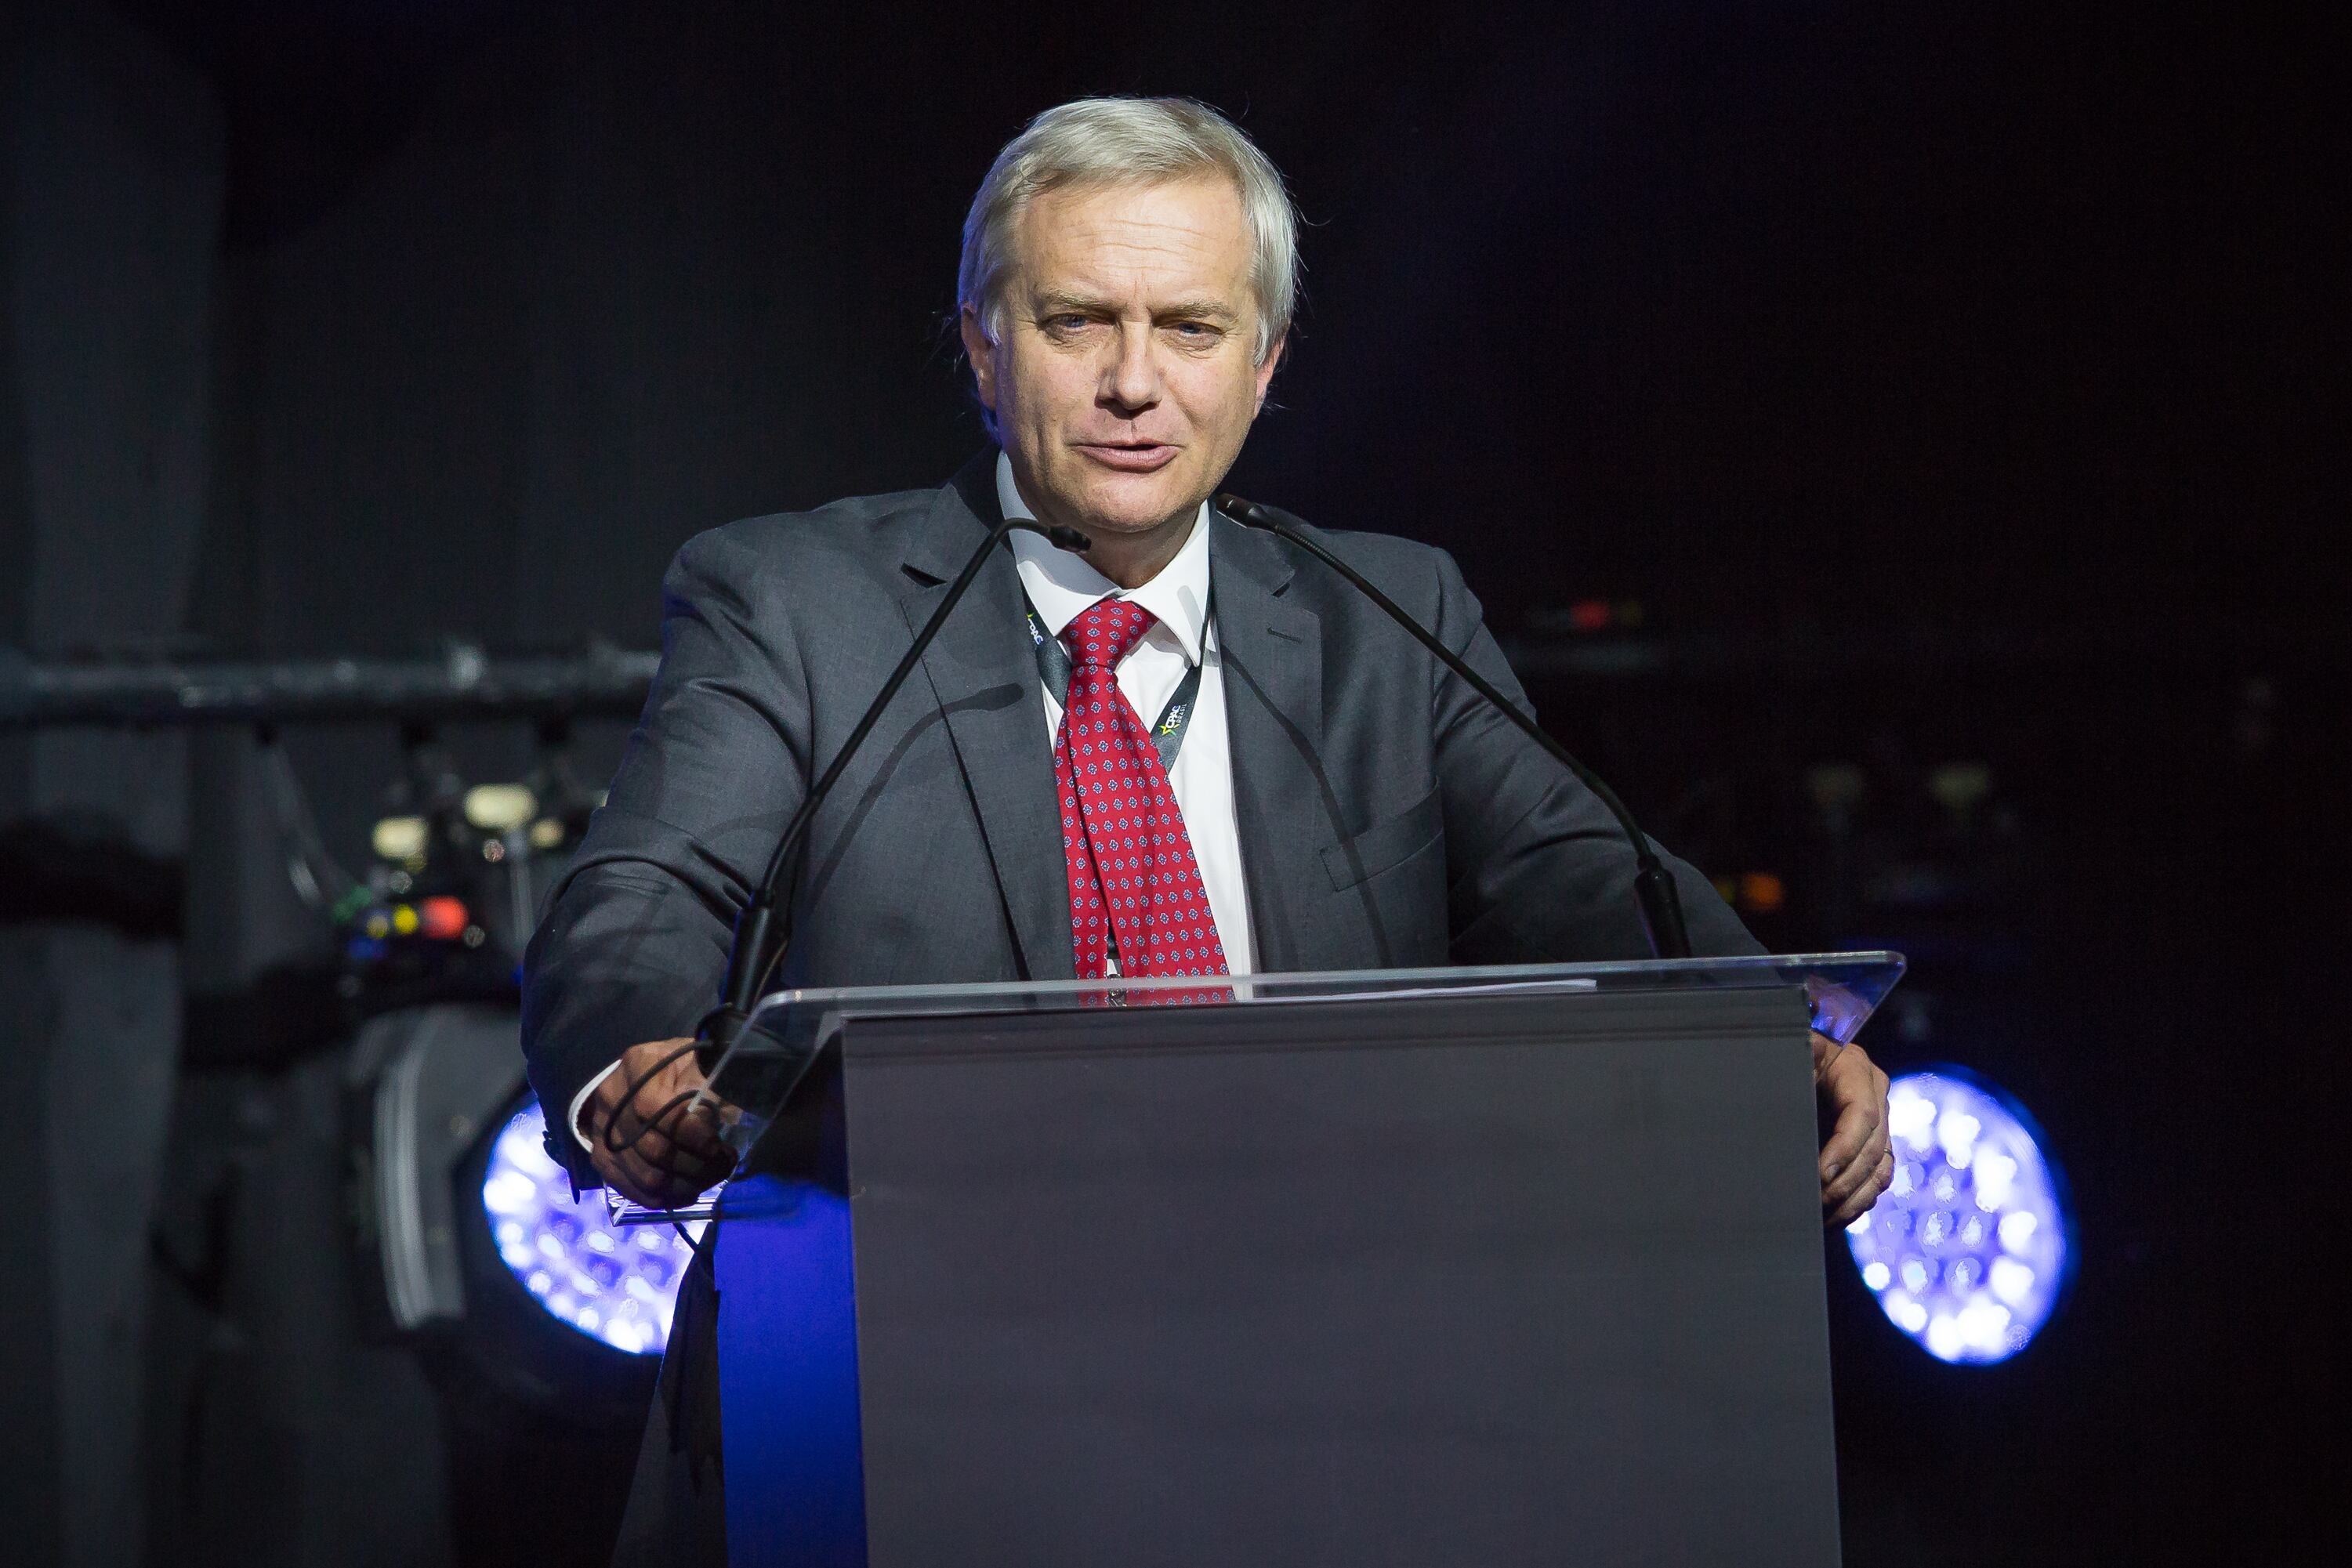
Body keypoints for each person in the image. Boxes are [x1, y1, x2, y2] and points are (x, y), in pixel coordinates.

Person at [522, 96, 1891, 1229]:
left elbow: (1588, 881)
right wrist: (629, 1075)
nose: (1135, 383)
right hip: (912, 1338)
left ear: (1262, 366)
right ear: (982, 352)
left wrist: (1775, 1035)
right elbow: (647, 888)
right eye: (1076, 322)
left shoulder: (1388, 617)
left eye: (1190, 328)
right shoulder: (801, 603)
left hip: (1339, 1330)